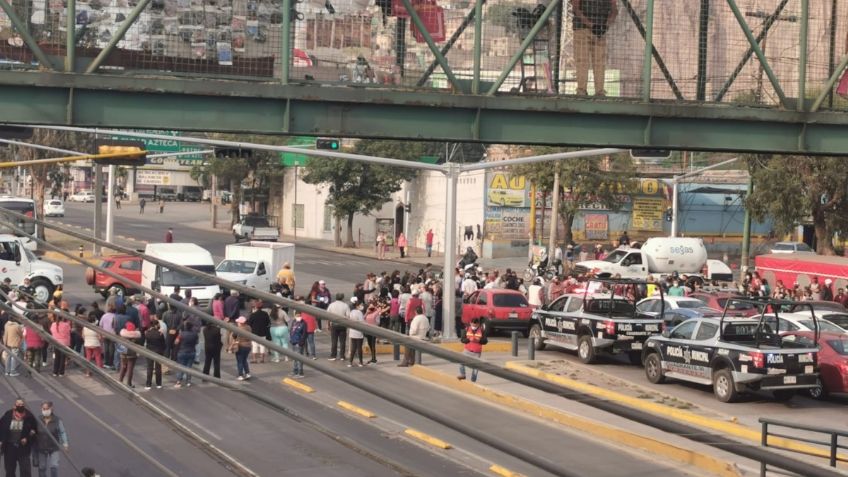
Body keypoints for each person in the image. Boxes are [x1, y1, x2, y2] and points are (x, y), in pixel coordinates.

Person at [572, 0, 617, 97]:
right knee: (597, 62)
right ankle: (597, 91)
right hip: (592, 29)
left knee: (585, 61)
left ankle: (583, 91)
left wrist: (600, 26)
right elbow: (614, 10)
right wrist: (603, 26)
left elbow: (576, 8)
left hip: (587, 28)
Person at [0, 398, 37, 477]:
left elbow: (34, 430)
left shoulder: (29, 416)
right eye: (18, 404)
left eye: (22, 404)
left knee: (25, 470)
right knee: (9, 470)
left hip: (23, 448)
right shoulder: (8, 415)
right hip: (10, 447)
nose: (20, 406)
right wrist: (1, 441)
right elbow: (1, 427)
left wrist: (27, 438)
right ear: (15, 405)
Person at [33, 401, 69, 477]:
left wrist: (65, 444)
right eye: (44, 408)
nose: (45, 410)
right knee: (42, 467)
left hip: (54, 447)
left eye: (47, 408)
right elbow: (33, 430)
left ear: (51, 408)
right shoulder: (38, 419)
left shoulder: (57, 420)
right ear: (41, 409)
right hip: (41, 447)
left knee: (54, 466)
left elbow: (62, 432)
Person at [458, 318, 487, 382]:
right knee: (461, 362)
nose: (474, 326)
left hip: (476, 352)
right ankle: (462, 374)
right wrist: (468, 340)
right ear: (470, 323)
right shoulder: (467, 329)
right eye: (473, 325)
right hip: (467, 350)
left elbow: (485, 341)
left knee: (475, 367)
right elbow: (462, 340)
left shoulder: (481, 330)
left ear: (478, 324)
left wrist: (479, 340)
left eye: (475, 325)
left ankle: (473, 380)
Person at [174, 321, 199, 388]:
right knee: (189, 367)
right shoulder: (195, 334)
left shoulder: (181, 334)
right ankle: (188, 381)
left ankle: (179, 381)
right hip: (192, 351)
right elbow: (197, 342)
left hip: (182, 351)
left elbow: (176, 342)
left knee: (181, 367)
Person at [118, 321, 142, 388]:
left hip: (123, 353)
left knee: (123, 366)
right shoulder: (136, 336)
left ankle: (120, 380)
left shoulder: (123, 335)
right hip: (132, 354)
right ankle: (129, 383)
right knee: (130, 369)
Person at [327, 293, 350, 361]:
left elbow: (328, 315)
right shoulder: (345, 305)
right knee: (342, 341)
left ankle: (333, 355)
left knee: (334, 341)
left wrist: (328, 324)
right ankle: (342, 356)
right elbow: (348, 316)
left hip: (334, 325)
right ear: (342, 298)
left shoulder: (331, 305)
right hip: (343, 325)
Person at [144, 320, 166, 389]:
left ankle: (148, 384)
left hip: (149, 351)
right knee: (158, 368)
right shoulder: (160, 334)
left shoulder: (147, 333)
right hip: (158, 352)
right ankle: (159, 384)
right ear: (156, 325)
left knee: (149, 368)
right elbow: (164, 344)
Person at [289, 313, 307, 378]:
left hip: (299, 342)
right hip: (294, 342)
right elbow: (291, 330)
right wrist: (291, 339)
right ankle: (295, 370)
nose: (298, 317)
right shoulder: (294, 322)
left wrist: (301, 342)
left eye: (299, 316)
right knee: (294, 358)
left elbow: (305, 333)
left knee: (299, 358)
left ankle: (300, 372)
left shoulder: (303, 323)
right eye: (297, 316)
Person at [348, 298, 365, 367]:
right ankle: (361, 362)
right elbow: (362, 322)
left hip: (352, 332)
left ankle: (350, 362)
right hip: (359, 332)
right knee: (359, 348)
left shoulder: (351, 312)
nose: (362, 306)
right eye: (360, 305)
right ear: (357, 306)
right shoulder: (359, 313)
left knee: (353, 348)